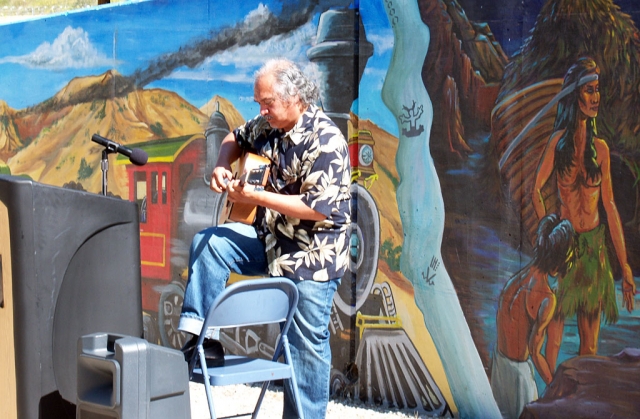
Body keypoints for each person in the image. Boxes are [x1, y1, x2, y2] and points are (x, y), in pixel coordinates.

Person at [178, 58, 351, 418]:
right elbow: (234, 138)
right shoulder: (267, 124)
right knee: (210, 243)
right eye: (258, 103)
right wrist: (223, 165)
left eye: (267, 102)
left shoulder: (326, 140)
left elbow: (317, 207)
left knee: (305, 349)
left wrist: (255, 197)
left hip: (311, 257)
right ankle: (200, 339)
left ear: (295, 98)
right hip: (270, 240)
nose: (261, 110)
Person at [532, 57, 636, 371]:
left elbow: (610, 208)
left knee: (589, 348)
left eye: (598, 90)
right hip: (564, 249)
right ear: (576, 96)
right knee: (554, 340)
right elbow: (535, 190)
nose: (596, 97)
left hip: (593, 252)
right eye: (589, 90)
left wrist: (626, 266)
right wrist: (549, 231)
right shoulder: (555, 145)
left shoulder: (601, 150)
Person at [491, 214, 577, 419]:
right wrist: (555, 385)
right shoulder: (546, 298)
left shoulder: (517, 279)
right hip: (518, 376)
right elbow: (535, 352)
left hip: (499, 363)